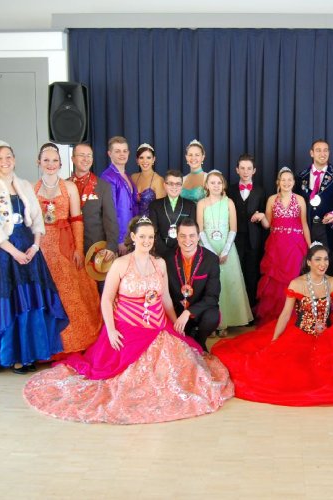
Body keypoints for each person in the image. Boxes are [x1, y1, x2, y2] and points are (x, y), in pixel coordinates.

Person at [23, 216, 233, 424]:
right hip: (128, 328)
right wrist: (111, 330)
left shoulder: (159, 263)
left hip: (158, 326)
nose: (146, 241)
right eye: (142, 236)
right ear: (133, 236)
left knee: (181, 370)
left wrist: (177, 325)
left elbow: (166, 299)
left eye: (150, 237)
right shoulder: (120, 264)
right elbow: (107, 300)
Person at [211, 244, 333, 406]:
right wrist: (275, 339)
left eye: (325, 259)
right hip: (301, 332)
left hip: (327, 333)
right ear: (309, 262)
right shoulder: (297, 284)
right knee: (286, 371)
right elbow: (285, 314)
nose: (323, 264)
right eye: (318, 259)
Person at [0, 141, 68, 373]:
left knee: (31, 302)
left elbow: (37, 218)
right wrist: (14, 252)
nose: (5, 162)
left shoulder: (24, 185)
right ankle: (13, 355)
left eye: (9, 157)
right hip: (5, 253)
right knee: (12, 303)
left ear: (14, 159)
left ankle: (30, 353)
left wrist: (35, 246)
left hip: (29, 249)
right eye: (0, 158)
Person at [35, 143, 102, 355]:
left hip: (65, 247)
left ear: (61, 163)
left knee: (70, 294)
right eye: (46, 160)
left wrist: (79, 249)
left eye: (55, 160)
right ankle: (44, 347)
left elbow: (76, 220)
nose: (51, 164)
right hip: (41, 248)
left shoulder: (69, 187)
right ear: (39, 162)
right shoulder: (31, 189)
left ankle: (73, 343)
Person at [196, 170, 253, 333]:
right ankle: (210, 323)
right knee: (209, 286)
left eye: (219, 183)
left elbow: (233, 228)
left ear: (223, 185)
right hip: (207, 247)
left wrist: (225, 250)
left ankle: (225, 322)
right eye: (212, 183)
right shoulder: (201, 204)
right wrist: (211, 252)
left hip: (226, 248)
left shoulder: (229, 202)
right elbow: (200, 230)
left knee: (227, 284)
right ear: (206, 185)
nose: (216, 186)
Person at [254, 167, 311, 322]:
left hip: (295, 245)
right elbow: (268, 224)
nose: (286, 183)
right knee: (276, 281)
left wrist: (310, 246)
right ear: (278, 182)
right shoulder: (272, 199)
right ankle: (276, 316)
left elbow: (304, 224)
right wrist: (261, 217)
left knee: (294, 278)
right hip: (277, 245)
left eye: (289, 180)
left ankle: (294, 316)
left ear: (293, 182)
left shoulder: (300, 199)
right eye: (283, 180)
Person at [68, 142, 118, 293]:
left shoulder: (103, 186)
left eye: (89, 156)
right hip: (70, 249)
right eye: (81, 155)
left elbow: (110, 219)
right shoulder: (65, 185)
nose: (86, 159)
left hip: (96, 250)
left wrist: (111, 246)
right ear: (73, 158)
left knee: (100, 293)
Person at [166, 217, 221, 351]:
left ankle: (200, 342)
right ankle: (187, 337)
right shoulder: (167, 259)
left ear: (198, 237)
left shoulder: (211, 259)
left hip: (199, 310)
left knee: (212, 317)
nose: (187, 240)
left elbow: (212, 297)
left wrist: (189, 312)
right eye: (182, 236)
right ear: (177, 237)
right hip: (176, 311)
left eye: (192, 235)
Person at [227, 154, 267, 310]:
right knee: (235, 274)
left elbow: (265, 215)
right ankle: (235, 310)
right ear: (237, 170)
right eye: (242, 168)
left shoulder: (260, 191)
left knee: (252, 274)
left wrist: (261, 216)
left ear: (254, 170)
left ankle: (250, 310)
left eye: (249, 168)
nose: (245, 171)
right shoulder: (229, 190)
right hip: (234, 239)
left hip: (254, 240)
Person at [296, 138, 333, 249]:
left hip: (328, 228)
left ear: (329, 152)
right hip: (306, 227)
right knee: (306, 257)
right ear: (312, 153)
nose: (322, 154)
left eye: (325, 150)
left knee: (329, 258)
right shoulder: (300, 177)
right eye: (318, 150)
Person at [148, 170, 196, 259]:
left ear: (182, 186)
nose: (174, 187)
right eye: (170, 183)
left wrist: (179, 250)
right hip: (160, 253)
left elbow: (191, 231)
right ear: (164, 185)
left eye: (178, 184)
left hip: (183, 251)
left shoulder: (190, 205)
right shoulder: (155, 205)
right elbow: (153, 231)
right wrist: (165, 252)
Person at [100, 136, 136, 255]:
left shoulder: (127, 175)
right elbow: (110, 211)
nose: (122, 154)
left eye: (125, 151)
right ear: (109, 153)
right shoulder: (108, 176)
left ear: (128, 153)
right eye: (117, 151)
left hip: (131, 234)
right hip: (120, 238)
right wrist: (119, 239)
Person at [131, 143, 165, 216]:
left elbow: (161, 211)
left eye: (148, 157)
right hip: (133, 221)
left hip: (150, 222)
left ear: (153, 159)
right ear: (137, 160)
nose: (145, 161)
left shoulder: (159, 180)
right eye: (141, 157)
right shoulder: (133, 177)